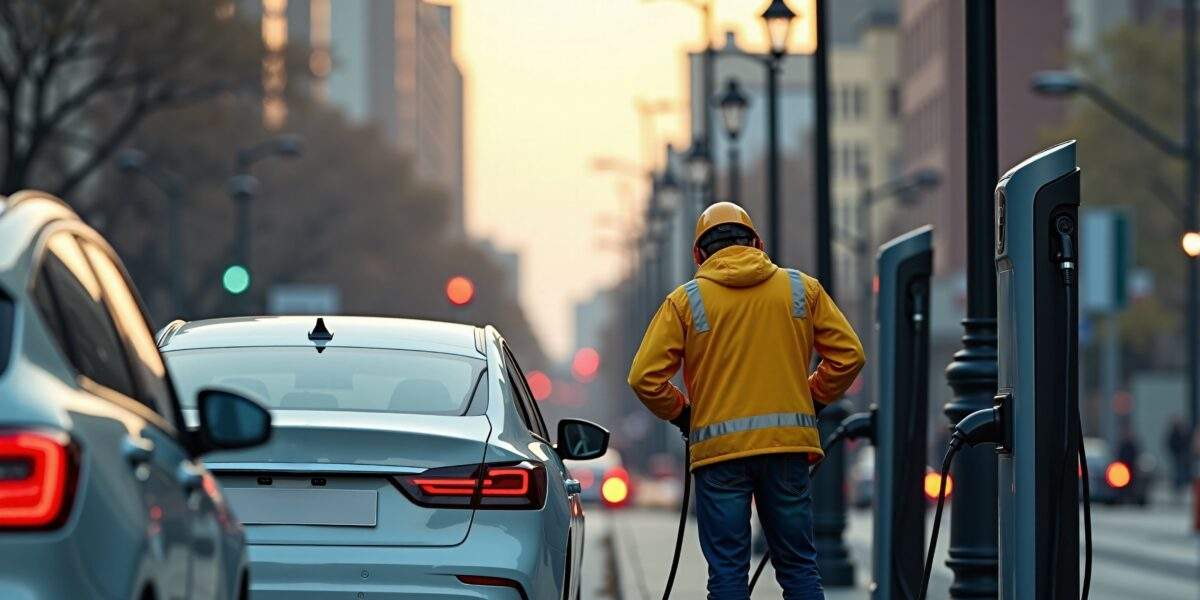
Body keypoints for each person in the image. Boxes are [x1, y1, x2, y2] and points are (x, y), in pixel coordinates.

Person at [627, 202, 865, 600]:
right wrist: (812, 398)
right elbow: (849, 356)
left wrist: (685, 414)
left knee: (727, 574)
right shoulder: (800, 289)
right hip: (787, 452)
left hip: (719, 458)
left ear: (698, 254)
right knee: (799, 568)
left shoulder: (686, 302)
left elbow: (643, 378)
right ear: (757, 243)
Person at [1166, 415, 1192, 503]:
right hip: (1177, 457)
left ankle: (1182, 489)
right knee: (1177, 474)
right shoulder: (1173, 433)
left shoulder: (1184, 433)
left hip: (1184, 457)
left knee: (1183, 473)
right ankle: (1177, 491)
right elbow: (1170, 444)